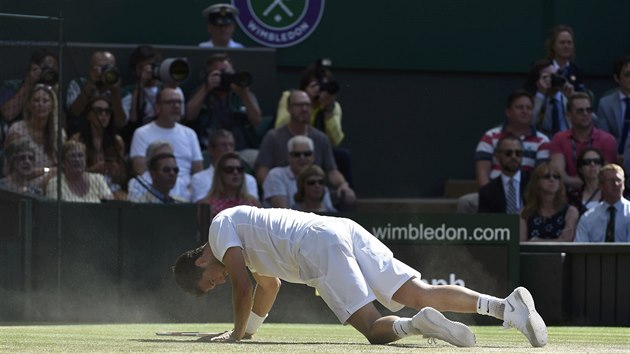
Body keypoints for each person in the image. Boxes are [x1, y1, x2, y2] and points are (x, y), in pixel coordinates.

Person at [172, 205, 548, 347]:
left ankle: (417, 326)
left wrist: (234, 336)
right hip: (339, 228)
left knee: (373, 328)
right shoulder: (246, 245)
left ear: (201, 263)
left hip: (315, 245)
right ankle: (505, 307)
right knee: (418, 290)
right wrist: (250, 331)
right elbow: (269, 286)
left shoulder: (219, 231)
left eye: (211, 282)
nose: (218, 283)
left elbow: (243, 285)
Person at [255, 90, 355, 208]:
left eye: (308, 105)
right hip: (284, 189)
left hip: (313, 195)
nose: (304, 109)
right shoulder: (273, 137)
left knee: (348, 198)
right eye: (299, 105)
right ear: (288, 108)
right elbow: (262, 171)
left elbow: (332, 170)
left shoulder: (321, 138)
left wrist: (343, 185)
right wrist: (276, 188)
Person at [458, 90, 550, 213]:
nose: (525, 111)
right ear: (508, 112)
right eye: (519, 107)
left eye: (529, 108)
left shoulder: (542, 141)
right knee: (466, 202)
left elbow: (540, 176)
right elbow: (482, 174)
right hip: (494, 192)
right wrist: (492, 197)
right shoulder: (490, 136)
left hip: (527, 194)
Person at [274, 60, 353, 187]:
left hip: (318, 149)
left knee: (343, 156)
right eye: (316, 85)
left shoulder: (332, 106)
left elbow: (336, 140)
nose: (320, 89)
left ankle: (345, 196)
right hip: (291, 147)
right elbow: (280, 127)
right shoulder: (289, 96)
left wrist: (328, 112)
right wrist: (307, 101)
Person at [130, 87, 204, 201]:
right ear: (158, 107)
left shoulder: (190, 134)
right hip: (154, 192)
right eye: (170, 102)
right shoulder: (141, 133)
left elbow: (198, 172)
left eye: (179, 102)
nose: (176, 106)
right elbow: (140, 170)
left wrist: (188, 191)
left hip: (187, 194)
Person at [185, 53, 262, 151]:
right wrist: (206, 88)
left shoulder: (243, 94)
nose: (226, 77)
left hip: (240, 149)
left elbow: (257, 121)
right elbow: (189, 115)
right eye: (221, 73)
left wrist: (244, 95)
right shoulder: (201, 92)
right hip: (208, 149)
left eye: (229, 73)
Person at [121, 45, 186, 148]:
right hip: (139, 141)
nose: (149, 70)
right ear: (136, 70)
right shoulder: (128, 92)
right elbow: (133, 119)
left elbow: (178, 119)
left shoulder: (171, 89)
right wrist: (141, 85)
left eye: (152, 66)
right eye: (143, 67)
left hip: (167, 139)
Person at [549, 92, 616, 191]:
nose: (585, 114)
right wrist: (580, 183)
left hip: (599, 194)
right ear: (568, 114)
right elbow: (557, 172)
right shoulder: (559, 138)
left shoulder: (607, 139)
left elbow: (608, 175)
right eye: (580, 111)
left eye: (588, 110)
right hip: (567, 194)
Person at [71, 97, 128, 200]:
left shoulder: (117, 141)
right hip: (85, 184)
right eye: (99, 111)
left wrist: (115, 170)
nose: (103, 115)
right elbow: (71, 172)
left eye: (107, 111)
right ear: (89, 115)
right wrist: (93, 169)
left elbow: (122, 177)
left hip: (111, 185)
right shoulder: (78, 139)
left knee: (123, 198)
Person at [5, 83, 65, 175]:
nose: (40, 104)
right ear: (29, 105)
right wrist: (47, 170)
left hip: (50, 182)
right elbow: (13, 171)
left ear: (52, 106)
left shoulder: (59, 133)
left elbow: (62, 166)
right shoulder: (17, 130)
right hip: (22, 183)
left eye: (45, 101)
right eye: (36, 100)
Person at [262, 135, 335, 210]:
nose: (302, 158)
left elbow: (328, 210)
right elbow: (284, 213)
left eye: (307, 154)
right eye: (297, 155)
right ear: (289, 157)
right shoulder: (276, 175)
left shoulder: (318, 178)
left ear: (313, 156)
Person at [65, 51, 125, 135]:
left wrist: (115, 92)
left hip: (110, 139)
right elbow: (74, 113)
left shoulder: (123, 93)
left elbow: (120, 123)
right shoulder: (77, 84)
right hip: (81, 135)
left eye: (108, 67)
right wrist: (91, 85)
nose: (104, 71)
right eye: (100, 67)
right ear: (90, 69)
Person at [190, 129, 258, 203]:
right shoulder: (199, 179)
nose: (228, 149)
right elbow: (202, 207)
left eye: (231, 145)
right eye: (223, 145)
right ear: (211, 149)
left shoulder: (249, 179)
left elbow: (253, 204)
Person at [520, 162, 579, 242]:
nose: (552, 179)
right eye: (546, 176)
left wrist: (536, 241)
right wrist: (558, 240)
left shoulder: (571, 212)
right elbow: (521, 244)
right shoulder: (525, 213)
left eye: (556, 177)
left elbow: (566, 240)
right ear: (537, 182)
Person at [0, 49, 59, 124]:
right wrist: (28, 83)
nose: (49, 73)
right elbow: (8, 114)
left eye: (53, 70)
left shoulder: (54, 89)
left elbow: (62, 124)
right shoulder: (13, 86)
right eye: (46, 68)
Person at [576, 164, 630, 242]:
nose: (616, 184)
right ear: (600, 185)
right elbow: (580, 249)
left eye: (619, 180)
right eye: (611, 181)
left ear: (624, 184)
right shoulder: (588, 218)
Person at [46, 140, 113, 203]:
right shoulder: (55, 184)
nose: (77, 160)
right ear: (63, 162)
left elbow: (109, 206)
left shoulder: (98, 179)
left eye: (80, 155)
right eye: (72, 156)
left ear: (85, 160)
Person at [197, 152, 260, 217]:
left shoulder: (253, 203)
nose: (235, 172)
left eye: (239, 169)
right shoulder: (207, 204)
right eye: (229, 169)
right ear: (220, 174)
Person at [478, 135, 528, 214]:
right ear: (497, 157)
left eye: (518, 153)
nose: (514, 157)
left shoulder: (534, 184)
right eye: (508, 153)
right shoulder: (487, 191)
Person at [524, 59, 573, 138]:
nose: (554, 79)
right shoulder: (533, 100)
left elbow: (591, 120)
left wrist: (572, 99)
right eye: (548, 76)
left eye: (556, 74)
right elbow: (528, 123)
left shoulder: (566, 98)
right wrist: (541, 94)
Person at [596, 55, 630, 159]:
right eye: (628, 75)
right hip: (614, 157)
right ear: (616, 78)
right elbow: (604, 137)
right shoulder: (606, 103)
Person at [544, 25, 586, 92]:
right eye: (562, 43)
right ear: (553, 46)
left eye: (569, 43)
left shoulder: (577, 71)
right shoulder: (543, 69)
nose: (566, 46)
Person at [569, 148, 604, 214]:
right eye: (587, 162)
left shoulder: (612, 192)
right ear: (580, 168)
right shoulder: (573, 196)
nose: (592, 164)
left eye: (597, 161)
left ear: (602, 166)